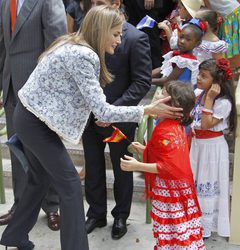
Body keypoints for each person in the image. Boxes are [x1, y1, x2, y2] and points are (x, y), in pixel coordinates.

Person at [0, 6, 183, 250]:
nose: (119, 40)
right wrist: (147, 110)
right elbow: (103, 111)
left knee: (39, 179)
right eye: (116, 34)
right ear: (101, 30)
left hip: (30, 117)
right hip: (34, 123)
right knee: (71, 186)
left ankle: (14, 236)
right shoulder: (84, 55)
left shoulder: (73, 43)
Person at [83, 0, 151, 240]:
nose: (95, 6)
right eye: (93, 2)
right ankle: (96, 213)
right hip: (90, 116)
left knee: (123, 169)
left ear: (116, 3)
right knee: (92, 166)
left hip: (119, 118)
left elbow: (142, 82)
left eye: (100, 2)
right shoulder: (88, 34)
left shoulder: (135, 37)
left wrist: (112, 109)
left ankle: (121, 215)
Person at [0, 0, 67, 231]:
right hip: (11, 88)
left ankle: (52, 206)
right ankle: (20, 205)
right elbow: (3, 46)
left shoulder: (48, 1)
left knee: (44, 151)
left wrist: (52, 92)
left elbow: (56, 46)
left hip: (38, 89)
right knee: (16, 149)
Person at [120, 81, 205, 250]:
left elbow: (168, 167)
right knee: (180, 232)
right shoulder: (176, 127)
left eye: (162, 93)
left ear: (173, 106)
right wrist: (145, 150)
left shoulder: (164, 130)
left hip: (170, 193)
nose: (157, 95)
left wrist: (137, 166)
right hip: (179, 191)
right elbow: (170, 158)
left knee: (173, 233)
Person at [190, 58, 237, 238]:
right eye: (199, 75)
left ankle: (205, 227)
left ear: (216, 82)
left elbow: (206, 125)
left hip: (212, 150)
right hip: (197, 147)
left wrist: (209, 99)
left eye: (204, 76)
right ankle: (194, 221)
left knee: (206, 184)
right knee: (195, 182)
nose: (199, 79)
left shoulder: (223, 103)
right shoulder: (199, 93)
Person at [152, 19, 203, 87]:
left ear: (197, 43)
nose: (182, 41)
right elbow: (162, 69)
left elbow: (166, 80)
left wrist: (143, 80)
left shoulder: (185, 61)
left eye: (188, 39)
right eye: (181, 37)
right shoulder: (178, 55)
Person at [204, 0, 240, 73]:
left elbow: (209, 8)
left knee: (227, 40)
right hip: (233, 10)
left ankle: (224, 69)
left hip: (230, 12)